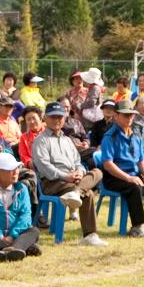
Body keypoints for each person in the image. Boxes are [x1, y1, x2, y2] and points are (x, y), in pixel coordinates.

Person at [31, 102, 108, 246]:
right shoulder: (40, 141)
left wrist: (79, 171)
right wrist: (65, 176)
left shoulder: (67, 140)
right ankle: (90, 235)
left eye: (60, 117)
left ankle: (77, 192)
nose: (57, 120)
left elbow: (78, 161)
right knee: (89, 194)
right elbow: (44, 167)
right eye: (53, 117)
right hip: (52, 182)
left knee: (97, 171)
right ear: (45, 118)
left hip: (72, 180)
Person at [98, 103, 144, 237]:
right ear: (116, 116)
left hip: (133, 174)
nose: (130, 118)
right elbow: (108, 164)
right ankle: (137, 226)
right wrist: (128, 178)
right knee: (135, 187)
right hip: (114, 177)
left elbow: (141, 160)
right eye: (126, 115)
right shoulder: (110, 137)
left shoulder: (135, 136)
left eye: (132, 115)